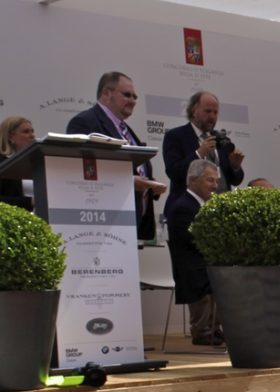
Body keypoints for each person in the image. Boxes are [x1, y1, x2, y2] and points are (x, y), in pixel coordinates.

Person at [66, 71, 162, 239]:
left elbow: (135, 167)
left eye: (135, 97)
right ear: (106, 93)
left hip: (131, 223)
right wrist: (129, 182)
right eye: (127, 95)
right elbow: (82, 170)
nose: (132, 101)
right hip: (102, 224)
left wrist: (151, 185)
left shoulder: (125, 129)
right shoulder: (84, 122)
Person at [165, 160, 223, 345]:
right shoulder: (183, 206)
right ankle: (202, 330)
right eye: (210, 180)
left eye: (216, 181)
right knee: (217, 274)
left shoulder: (206, 205)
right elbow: (194, 241)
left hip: (205, 262)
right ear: (192, 180)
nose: (215, 186)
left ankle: (215, 327)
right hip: (191, 266)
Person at [161, 90, 245, 207]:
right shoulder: (176, 136)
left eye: (215, 112)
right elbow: (174, 172)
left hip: (222, 211)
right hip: (188, 210)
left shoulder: (221, 140)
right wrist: (199, 153)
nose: (212, 116)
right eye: (208, 111)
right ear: (194, 111)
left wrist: (235, 167)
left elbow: (235, 181)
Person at [0, 115, 37, 209]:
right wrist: (30, 202)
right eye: (26, 132)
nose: (32, 135)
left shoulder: (37, 160)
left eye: (32, 131)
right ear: (10, 136)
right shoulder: (2, 162)